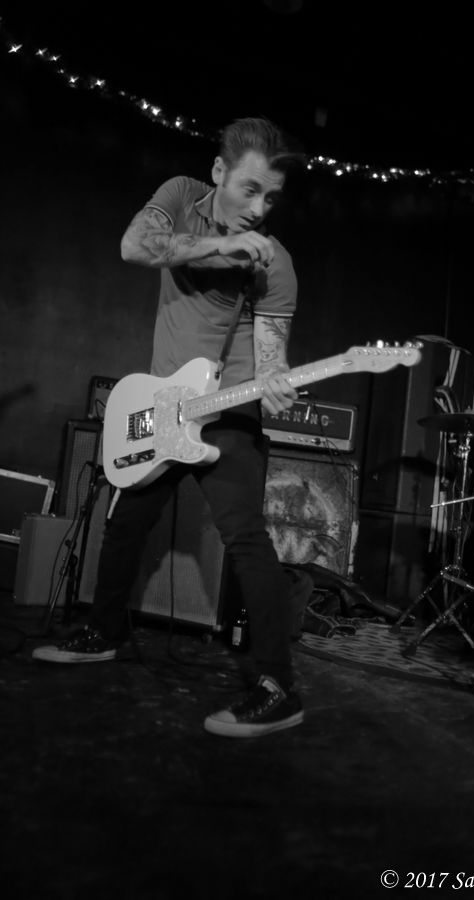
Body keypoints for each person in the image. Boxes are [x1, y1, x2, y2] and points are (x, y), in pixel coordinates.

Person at [33, 117, 307, 738]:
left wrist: (275, 382)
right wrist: (218, 248)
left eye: (271, 199)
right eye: (249, 190)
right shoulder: (181, 196)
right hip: (163, 406)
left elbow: (270, 358)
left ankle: (279, 687)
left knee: (246, 539)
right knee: (126, 521)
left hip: (229, 412)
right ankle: (103, 633)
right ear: (218, 172)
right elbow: (134, 246)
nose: (258, 209)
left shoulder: (277, 264)